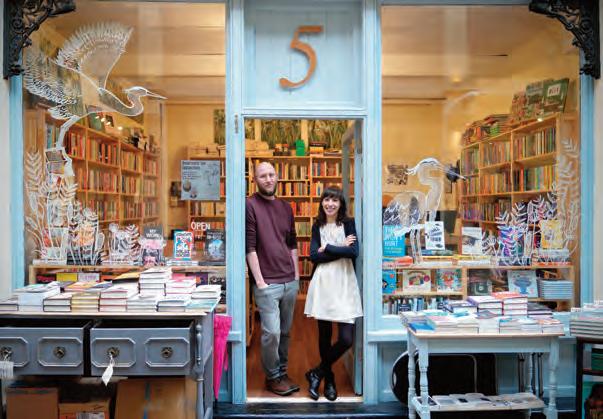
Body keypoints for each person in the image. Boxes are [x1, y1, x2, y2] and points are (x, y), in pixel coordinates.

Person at [246, 162, 301, 396]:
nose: (268, 179)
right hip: (267, 282)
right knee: (272, 333)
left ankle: (282, 372)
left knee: (285, 332)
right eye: (263, 176)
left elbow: (292, 243)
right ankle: (272, 377)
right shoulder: (249, 205)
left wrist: (296, 275)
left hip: (289, 279)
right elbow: (249, 247)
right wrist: (260, 282)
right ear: (255, 180)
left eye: (271, 175)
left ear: (277, 177)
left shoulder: (286, 207)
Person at [304, 186, 363, 401]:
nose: (330, 204)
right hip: (323, 284)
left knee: (346, 339)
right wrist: (339, 248)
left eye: (335, 200)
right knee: (325, 335)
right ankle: (329, 380)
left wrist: (327, 247)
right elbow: (314, 256)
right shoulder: (317, 225)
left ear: (341, 204)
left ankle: (317, 372)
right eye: (327, 200)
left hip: (345, 283)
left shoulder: (348, 223)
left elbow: (354, 252)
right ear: (322, 203)